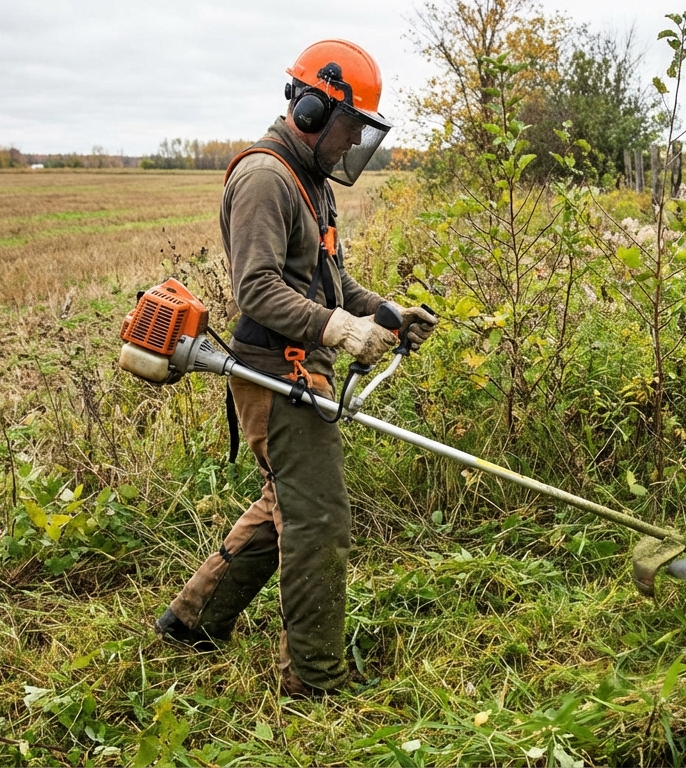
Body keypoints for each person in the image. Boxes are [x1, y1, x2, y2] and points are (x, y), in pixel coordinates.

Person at [153, 39, 436, 697]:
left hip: (302, 362)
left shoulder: (309, 182)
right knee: (318, 521)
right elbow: (256, 289)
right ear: (311, 108)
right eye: (348, 127)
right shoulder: (264, 179)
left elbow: (327, 282)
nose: (349, 144)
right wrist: (339, 329)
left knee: (287, 501)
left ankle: (191, 623)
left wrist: (386, 314)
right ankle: (315, 682)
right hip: (273, 371)